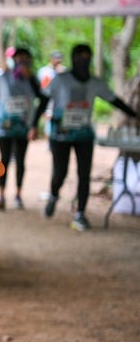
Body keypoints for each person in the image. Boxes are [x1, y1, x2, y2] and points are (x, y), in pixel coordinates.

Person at [42, 43, 138, 231]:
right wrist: (31, 124)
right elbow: (44, 100)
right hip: (60, 135)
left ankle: (80, 214)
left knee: (84, 174)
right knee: (60, 172)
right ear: (73, 59)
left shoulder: (95, 83)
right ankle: (53, 195)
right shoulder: (60, 80)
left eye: (86, 58)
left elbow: (114, 100)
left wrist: (134, 114)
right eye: (79, 58)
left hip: (84, 135)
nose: (83, 62)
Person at [0, 47, 48, 210]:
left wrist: (33, 125)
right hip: (4, 127)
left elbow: (43, 99)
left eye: (26, 59)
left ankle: (18, 194)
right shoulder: (2, 77)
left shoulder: (32, 80)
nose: (22, 62)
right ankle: (2, 195)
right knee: (4, 160)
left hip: (23, 127)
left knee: (20, 160)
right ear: (14, 59)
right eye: (19, 58)